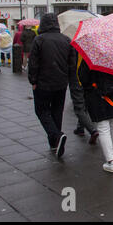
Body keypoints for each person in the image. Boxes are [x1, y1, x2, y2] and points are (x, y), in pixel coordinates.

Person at [28, 13, 76, 158]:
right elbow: (72, 64)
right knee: (57, 111)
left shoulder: (39, 40)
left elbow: (33, 63)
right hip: (61, 83)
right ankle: (55, 143)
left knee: (41, 110)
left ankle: (56, 136)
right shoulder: (66, 40)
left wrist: (33, 81)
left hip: (43, 83)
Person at [78, 59, 113, 173]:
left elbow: (83, 76)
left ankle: (111, 161)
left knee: (103, 126)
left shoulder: (92, 55)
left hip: (99, 93)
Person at [70, 53, 99, 144]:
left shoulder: (78, 48)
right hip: (89, 81)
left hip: (78, 79)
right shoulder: (92, 49)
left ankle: (92, 130)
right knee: (84, 104)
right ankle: (80, 128)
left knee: (79, 108)